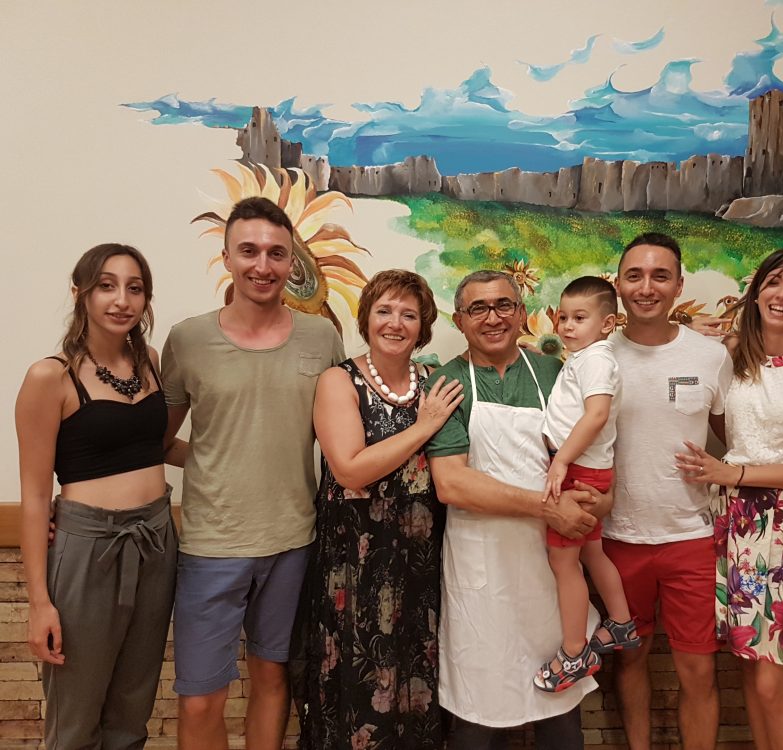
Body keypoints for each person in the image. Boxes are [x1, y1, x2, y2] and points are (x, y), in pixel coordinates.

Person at [161, 197, 345, 750]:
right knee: (200, 698)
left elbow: (342, 438)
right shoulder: (187, 340)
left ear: (292, 263)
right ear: (227, 258)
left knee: (273, 679)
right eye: (248, 251)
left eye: (275, 253)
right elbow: (157, 441)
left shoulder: (321, 339)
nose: (262, 265)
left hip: (293, 542)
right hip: (211, 545)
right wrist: (217, 457)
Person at [425, 270, 611, 750]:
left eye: (504, 305)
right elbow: (452, 483)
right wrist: (549, 509)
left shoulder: (555, 373)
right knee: (477, 713)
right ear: (459, 321)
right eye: (478, 308)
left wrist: (597, 500)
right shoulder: (447, 383)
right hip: (480, 567)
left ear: (522, 313)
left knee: (560, 716)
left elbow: (591, 454)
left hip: (550, 570)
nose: (493, 318)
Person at [677, 247, 783, 750]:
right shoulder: (734, 355)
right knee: (750, 668)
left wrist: (737, 473)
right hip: (740, 525)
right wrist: (691, 335)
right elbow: (727, 425)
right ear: (755, 292)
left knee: (774, 681)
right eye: (774, 282)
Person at [15, 243, 182, 749]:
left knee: (132, 711)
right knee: (76, 716)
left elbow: (157, 447)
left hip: (156, 540)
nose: (121, 300)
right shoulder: (50, 377)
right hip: (89, 546)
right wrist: (39, 603)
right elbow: (34, 495)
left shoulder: (150, 362)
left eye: (135, 288)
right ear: (80, 293)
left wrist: (236, 457)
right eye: (106, 286)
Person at [293, 270, 463, 749]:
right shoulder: (339, 380)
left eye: (409, 314)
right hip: (357, 562)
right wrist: (424, 426)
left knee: (418, 673)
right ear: (366, 318)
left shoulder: (434, 383)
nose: (395, 322)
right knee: (361, 679)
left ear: (423, 325)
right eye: (384, 311)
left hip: (422, 560)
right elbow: (350, 470)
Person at [603, 233, 733, 750]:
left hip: (691, 540)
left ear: (679, 285)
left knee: (698, 671)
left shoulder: (711, 356)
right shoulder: (594, 357)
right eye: (634, 276)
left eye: (660, 276)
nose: (646, 287)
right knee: (630, 660)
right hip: (617, 540)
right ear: (618, 285)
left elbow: (737, 439)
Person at [534, 276, 638, 693]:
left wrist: (561, 461)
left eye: (579, 318)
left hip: (578, 471)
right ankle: (621, 622)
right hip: (589, 468)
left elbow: (596, 415)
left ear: (608, 323)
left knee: (564, 564)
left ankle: (575, 653)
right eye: (563, 317)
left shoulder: (596, 360)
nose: (566, 326)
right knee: (593, 551)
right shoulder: (585, 358)